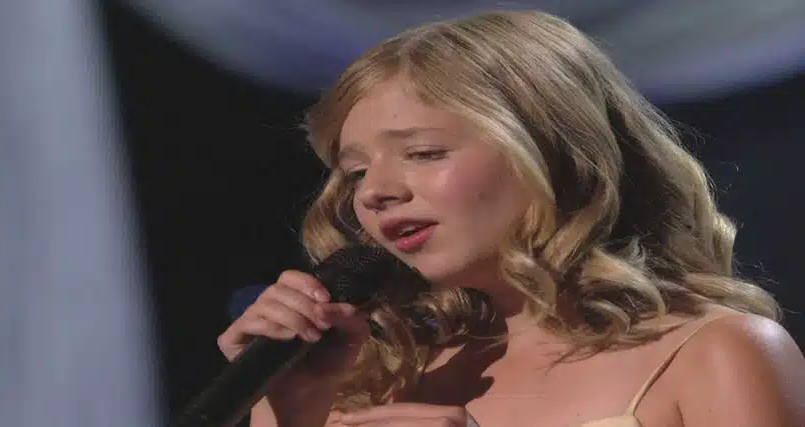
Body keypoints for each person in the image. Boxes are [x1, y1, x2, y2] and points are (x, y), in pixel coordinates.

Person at [216, 10, 805, 427]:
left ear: (556, 154)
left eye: (424, 153)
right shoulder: (359, 380)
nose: (375, 193)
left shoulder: (714, 351)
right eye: (355, 172)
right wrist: (293, 409)